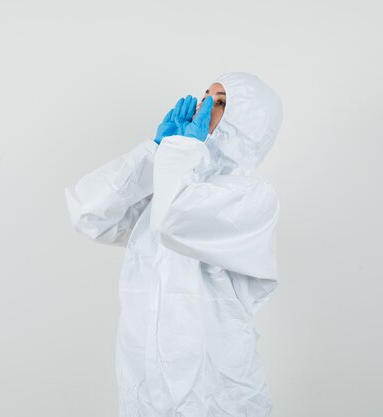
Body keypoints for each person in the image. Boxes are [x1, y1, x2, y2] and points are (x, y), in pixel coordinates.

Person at [65, 72, 284, 417]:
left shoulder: (252, 197)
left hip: (217, 396)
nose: (203, 105)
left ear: (249, 124)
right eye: (205, 95)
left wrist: (179, 152)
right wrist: (152, 153)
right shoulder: (171, 182)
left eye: (221, 101)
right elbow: (89, 214)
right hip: (146, 391)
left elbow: (173, 219)